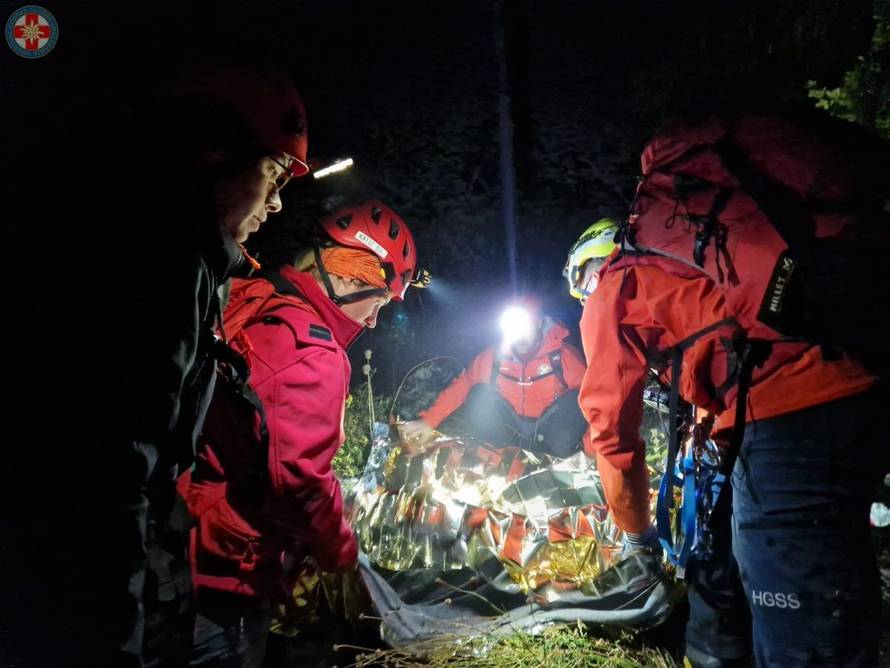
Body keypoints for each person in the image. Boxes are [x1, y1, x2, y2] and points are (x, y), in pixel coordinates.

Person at [54, 64, 310, 668]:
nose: (276, 204)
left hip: (158, 577)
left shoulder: (190, 268)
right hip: (121, 587)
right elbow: (112, 472)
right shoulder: (153, 272)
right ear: (211, 154)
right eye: (272, 174)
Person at [567, 188, 885, 665]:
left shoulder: (616, 287)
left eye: (581, 286)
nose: (584, 299)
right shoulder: (699, 270)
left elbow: (610, 430)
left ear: (592, 266)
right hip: (858, 385)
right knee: (813, 568)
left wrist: (636, 532)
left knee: (799, 629)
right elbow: (727, 353)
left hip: (785, 410)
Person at [180, 199, 424, 667]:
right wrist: (340, 550)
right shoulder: (311, 352)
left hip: (178, 535)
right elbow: (299, 479)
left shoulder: (250, 295)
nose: (374, 321)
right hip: (225, 569)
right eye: (378, 302)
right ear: (351, 277)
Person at [402, 296, 588, 457]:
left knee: (576, 400)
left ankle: (561, 459)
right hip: (511, 432)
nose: (520, 335)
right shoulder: (494, 357)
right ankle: (496, 457)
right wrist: (429, 421)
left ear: (539, 323)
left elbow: (593, 399)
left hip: (549, 434)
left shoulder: (561, 355)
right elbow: (463, 385)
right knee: (479, 394)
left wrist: (593, 447)